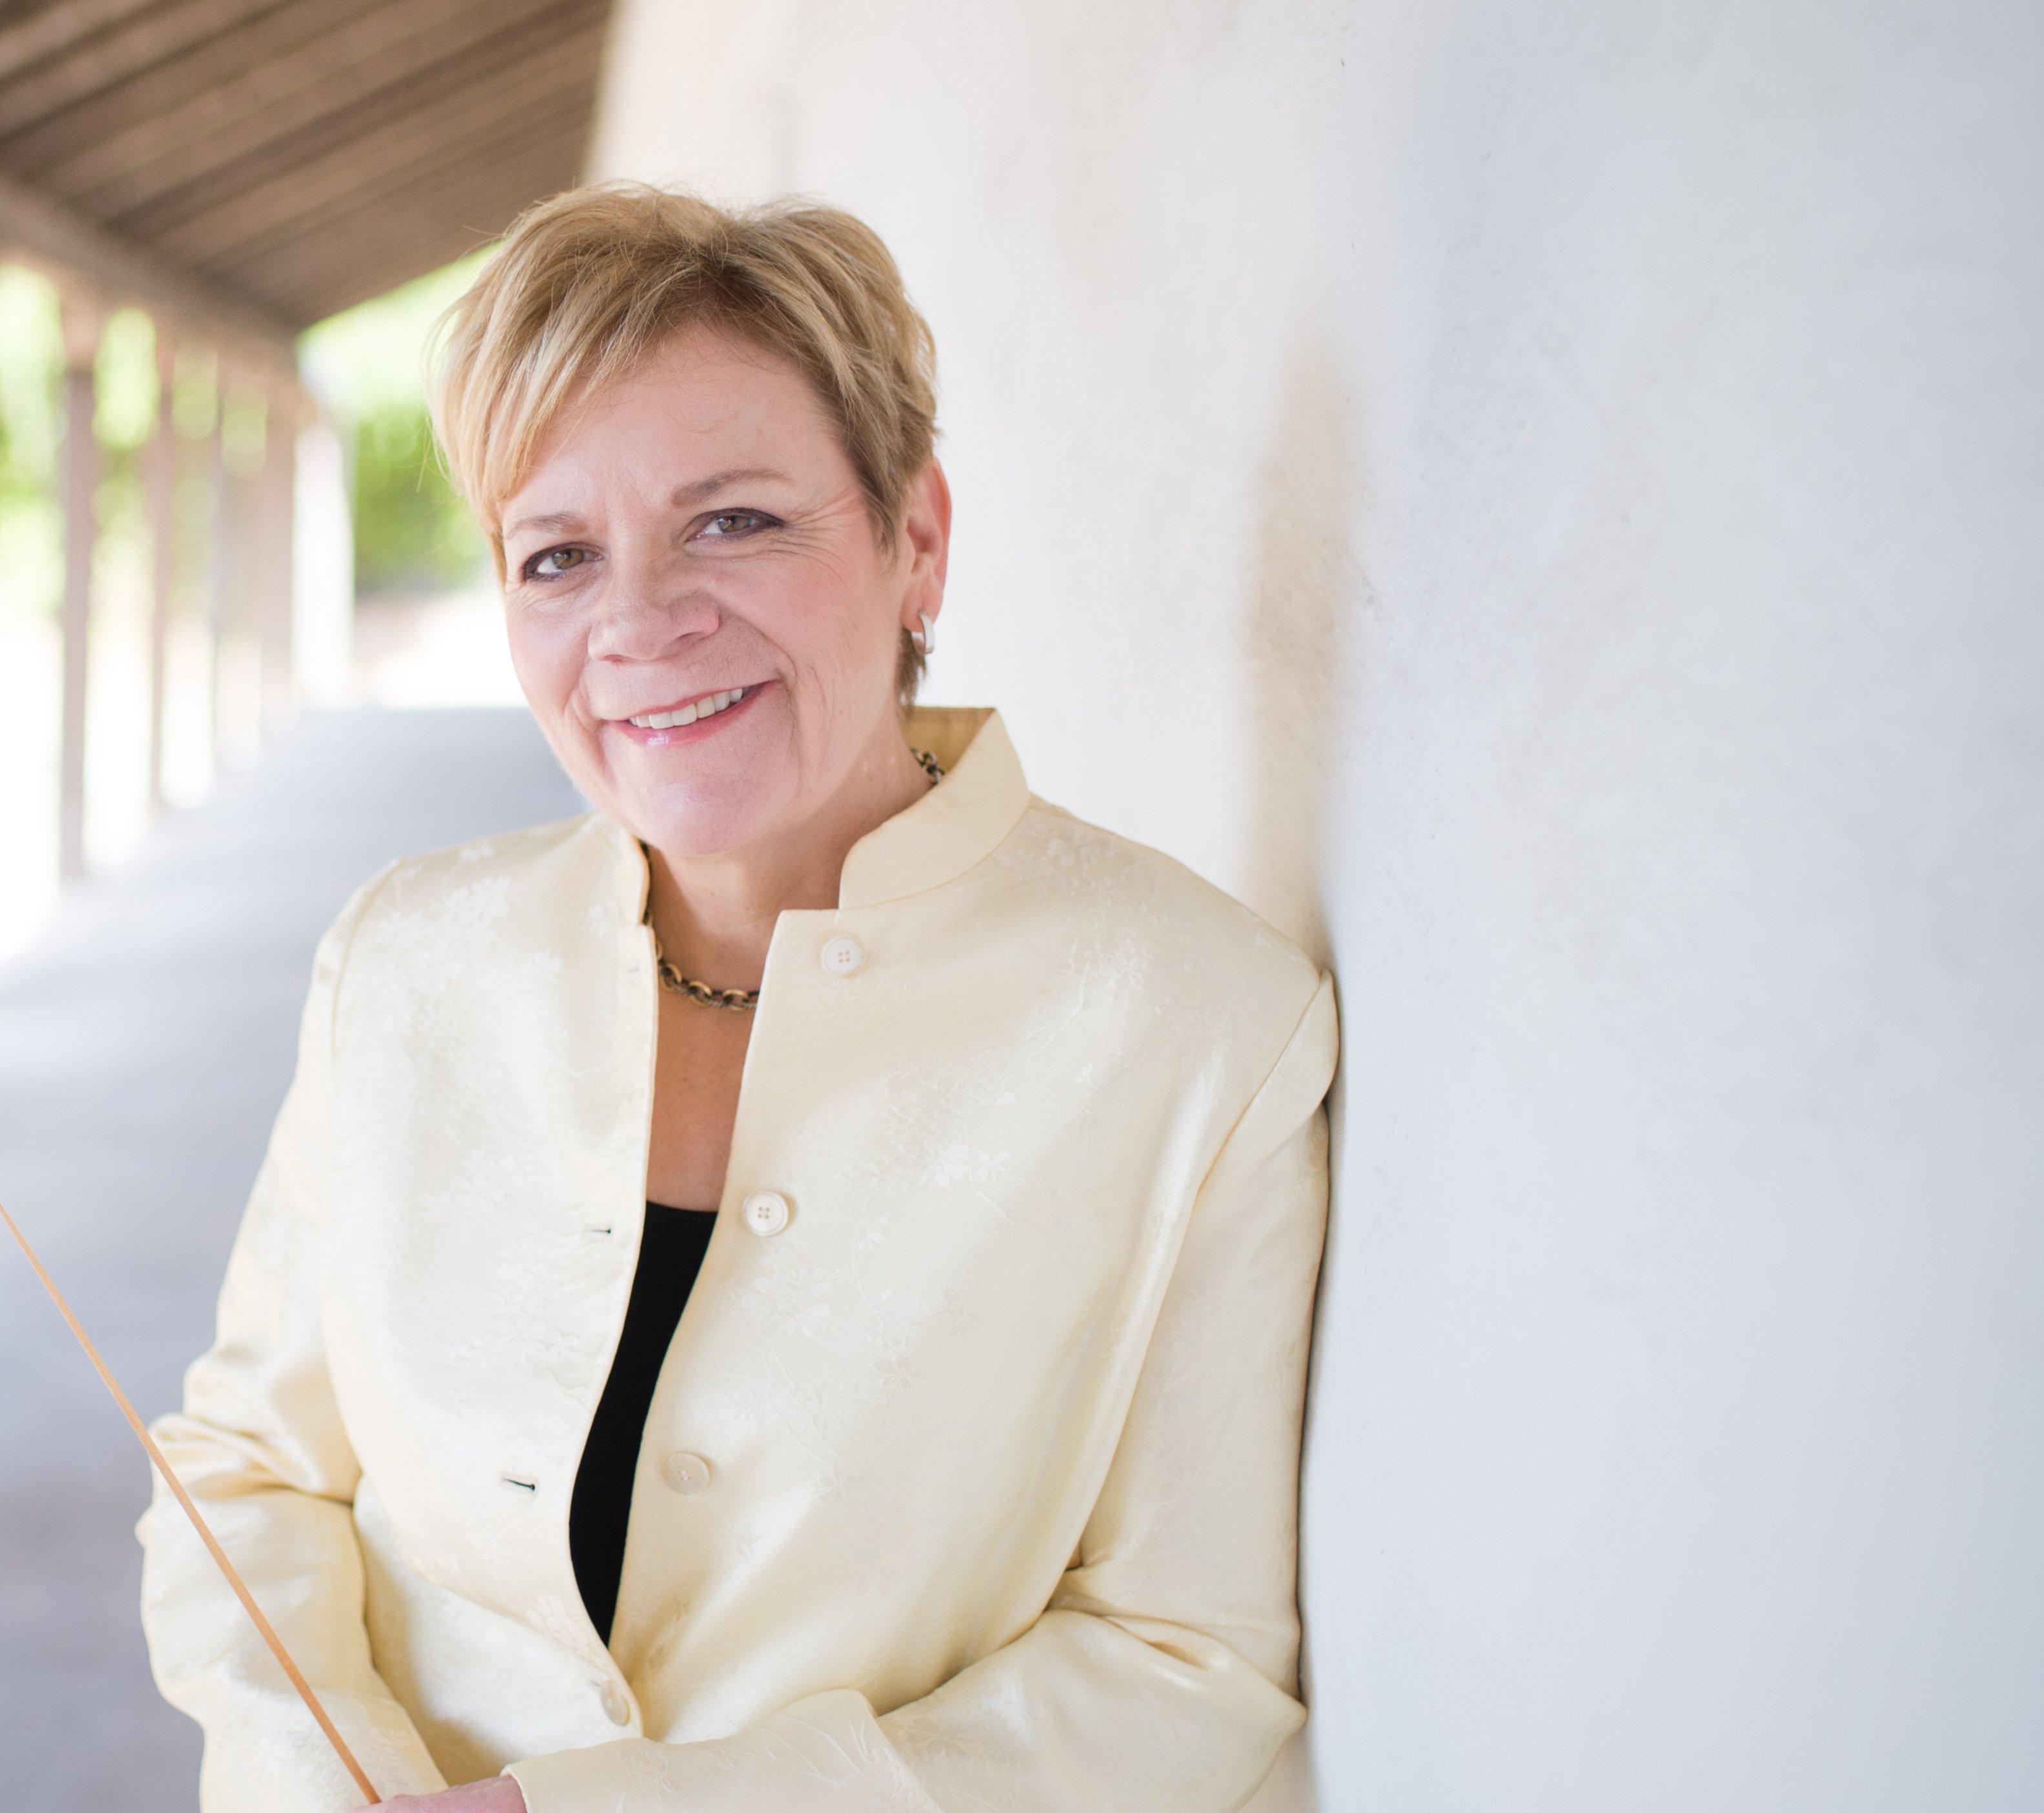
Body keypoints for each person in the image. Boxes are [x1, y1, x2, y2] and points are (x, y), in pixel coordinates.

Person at [139, 183, 1337, 1813]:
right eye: (556, 555)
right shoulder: (401, 961)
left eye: (733, 520)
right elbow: (245, 1473)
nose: (636, 623)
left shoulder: (1201, 1025)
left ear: (913, 539)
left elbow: (1181, 1654)